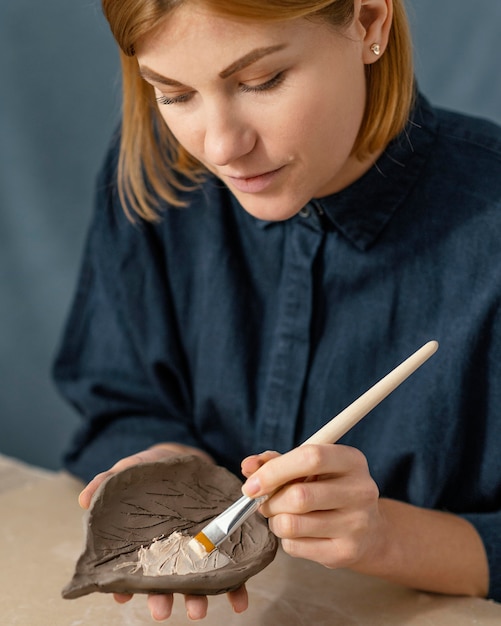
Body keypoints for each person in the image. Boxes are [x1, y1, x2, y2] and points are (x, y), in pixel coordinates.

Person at [53, 0, 501, 621]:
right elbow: (119, 397)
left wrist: (386, 538)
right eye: (175, 93)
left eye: (261, 81)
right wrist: (162, 471)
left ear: (370, 22)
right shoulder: (160, 172)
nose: (222, 146)